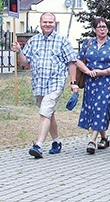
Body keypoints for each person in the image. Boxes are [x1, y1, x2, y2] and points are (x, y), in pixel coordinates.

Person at [11, 12, 79, 158]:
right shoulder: (34, 41)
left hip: (55, 82)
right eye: (45, 22)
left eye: (50, 22)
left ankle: (38, 145)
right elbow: (25, 62)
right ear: (40, 23)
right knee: (48, 113)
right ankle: (56, 141)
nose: (48, 24)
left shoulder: (62, 41)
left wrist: (73, 83)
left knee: (44, 112)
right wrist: (19, 51)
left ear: (55, 23)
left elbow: (72, 62)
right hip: (38, 84)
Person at [76, 17, 110, 154]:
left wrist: (103, 72)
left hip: (106, 81)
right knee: (93, 109)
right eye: (99, 27)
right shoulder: (88, 43)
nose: (102, 29)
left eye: (105, 27)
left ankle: (92, 140)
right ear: (94, 29)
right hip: (91, 82)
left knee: (102, 108)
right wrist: (88, 71)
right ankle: (105, 138)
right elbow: (78, 60)